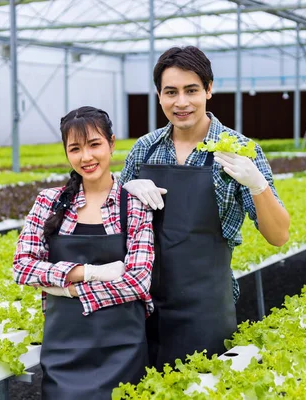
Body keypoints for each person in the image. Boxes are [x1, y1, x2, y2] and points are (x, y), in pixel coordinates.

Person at [120, 46, 290, 370]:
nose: (181, 102)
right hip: (145, 307)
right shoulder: (144, 149)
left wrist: (258, 185)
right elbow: (114, 226)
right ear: (159, 96)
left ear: (209, 90)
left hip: (207, 310)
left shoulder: (239, 151)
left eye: (191, 90)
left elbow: (279, 235)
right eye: (171, 92)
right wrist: (123, 193)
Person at [13, 106, 155, 399]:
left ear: (112, 144)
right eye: (75, 148)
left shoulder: (134, 204)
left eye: (94, 145)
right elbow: (23, 267)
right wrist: (86, 275)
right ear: (66, 153)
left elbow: (138, 281)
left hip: (122, 347)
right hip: (65, 348)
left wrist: (60, 288)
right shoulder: (48, 202)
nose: (86, 157)